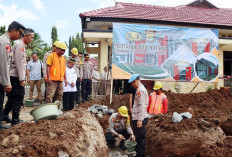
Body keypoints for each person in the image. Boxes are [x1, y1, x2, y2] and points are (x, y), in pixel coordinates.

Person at [3, 28, 34, 126]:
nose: (32, 39)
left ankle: (4, 115)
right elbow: (19, 64)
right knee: (18, 97)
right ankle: (15, 119)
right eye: (31, 37)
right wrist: (21, 79)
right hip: (16, 76)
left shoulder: (20, 45)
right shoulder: (19, 45)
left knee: (12, 98)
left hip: (14, 76)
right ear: (26, 36)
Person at [0, 21, 25, 129]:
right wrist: (7, 83)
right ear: (14, 31)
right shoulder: (5, 42)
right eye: (20, 33)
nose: (20, 36)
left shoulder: (6, 41)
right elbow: (4, 64)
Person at [128, 74, 149, 157]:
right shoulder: (138, 89)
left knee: (141, 138)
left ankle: (140, 155)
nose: (132, 86)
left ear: (135, 82)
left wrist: (140, 120)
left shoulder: (141, 90)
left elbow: (142, 105)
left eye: (132, 84)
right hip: (137, 117)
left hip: (140, 118)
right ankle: (138, 153)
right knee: (138, 137)